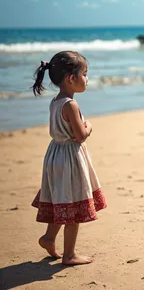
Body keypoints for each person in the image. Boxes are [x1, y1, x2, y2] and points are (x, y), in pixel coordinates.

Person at [31, 51, 106, 265]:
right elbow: (80, 136)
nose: (87, 79)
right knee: (72, 203)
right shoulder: (70, 104)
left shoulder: (55, 101)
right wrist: (89, 125)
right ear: (71, 79)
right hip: (70, 158)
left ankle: (48, 237)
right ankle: (69, 254)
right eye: (84, 74)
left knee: (61, 199)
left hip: (55, 154)